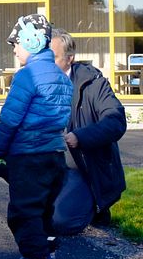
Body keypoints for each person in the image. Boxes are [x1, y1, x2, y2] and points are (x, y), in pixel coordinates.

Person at [0, 14, 73, 259]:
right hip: (54, 156)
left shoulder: (26, 76)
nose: (15, 50)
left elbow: (10, 121)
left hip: (28, 158)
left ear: (31, 41)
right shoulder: (62, 78)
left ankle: (36, 258)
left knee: (23, 214)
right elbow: (45, 119)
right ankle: (47, 254)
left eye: (16, 43)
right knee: (44, 210)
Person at [49, 28, 127, 235]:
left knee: (60, 222)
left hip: (81, 167)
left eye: (53, 58)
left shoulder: (94, 84)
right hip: (47, 162)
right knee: (31, 214)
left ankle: (94, 204)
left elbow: (116, 121)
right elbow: (16, 114)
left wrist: (79, 137)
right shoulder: (38, 83)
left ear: (70, 58)